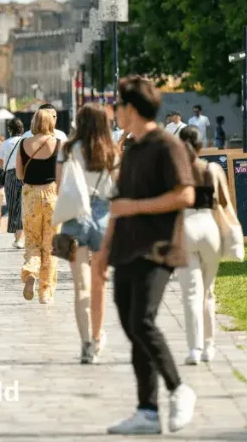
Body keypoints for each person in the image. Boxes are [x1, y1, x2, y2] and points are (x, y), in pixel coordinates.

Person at [106, 76, 197, 435]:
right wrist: (103, 255)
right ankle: (146, 409)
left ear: (130, 109)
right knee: (132, 327)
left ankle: (179, 388)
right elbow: (118, 206)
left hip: (158, 248)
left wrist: (137, 208)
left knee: (142, 321)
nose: (115, 111)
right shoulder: (131, 148)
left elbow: (185, 195)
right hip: (126, 250)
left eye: (118, 105)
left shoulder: (165, 145)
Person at [55, 103, 116, 364]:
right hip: (102, 217)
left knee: (80, 285)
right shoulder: (111, 150)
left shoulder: (67, 149)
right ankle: (98, 336)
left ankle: (85, 344)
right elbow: (116, 189)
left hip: (75, 218)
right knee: (98, 285)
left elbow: (60, 186)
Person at [177, 126, 226, 365]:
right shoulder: (212, 169)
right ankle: (209, 346)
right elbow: (224, 202)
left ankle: (194, 349)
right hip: (209, 228)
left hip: (185, 227)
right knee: (209, 292)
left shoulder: (175, 172)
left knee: (190, 294)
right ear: (201, 145)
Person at [15, 107, 60, 304]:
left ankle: (31, 272)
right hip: (51, 194)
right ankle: (46, 293)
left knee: (32, 240)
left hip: (30, 194)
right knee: (50, 245)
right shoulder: (58, 144)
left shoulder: (24, 143)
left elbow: (18, 174)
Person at [0, 117, 26, 246]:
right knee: (23, 205)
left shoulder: (5, 143)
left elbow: (0, 162)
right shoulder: (25, 141)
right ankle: (21, 238)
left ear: (10, 130)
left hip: (10, 175)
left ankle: (17, 238)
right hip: (25, 175)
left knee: (13, 205)